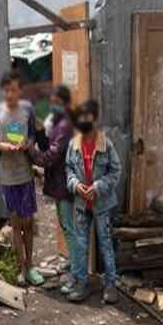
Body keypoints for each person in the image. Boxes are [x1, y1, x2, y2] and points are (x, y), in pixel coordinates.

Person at [0, 70, 43, 287]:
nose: (10, 94)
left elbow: (33, 135)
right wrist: (2, 146)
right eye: (6, 90)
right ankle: (21, 268)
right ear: (3, 91)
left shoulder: (27, 109)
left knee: (28, 222)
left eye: (14, 90)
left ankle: (31, 266)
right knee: (16, 222)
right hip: (7, 176)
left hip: (25, 174)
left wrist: (28, 144)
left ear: (20, 91)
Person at [64, 99, 123, 303]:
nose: (84, 120)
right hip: (82, 205)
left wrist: (97, 187)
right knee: (81, 245)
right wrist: (76, 185)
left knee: (106, 244)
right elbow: (69, 170)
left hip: (102, 205)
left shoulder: (106, 145)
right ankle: (82, 284)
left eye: (88, 116)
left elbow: (116, 171)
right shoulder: (73, 145)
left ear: (95, 119)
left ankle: (110, 285)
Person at [31, 85, 76, 294]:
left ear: (64, 103)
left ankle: (77, 271)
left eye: (56, 102)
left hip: (64, 182)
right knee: (64, 224)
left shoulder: (65, 125)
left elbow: (53, 155)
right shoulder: (58, 122)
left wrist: (32, 155)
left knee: (68, 226)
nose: (52, 105)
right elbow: (48, 146)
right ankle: (73, 262)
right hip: (58, 182)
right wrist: (40, 132)